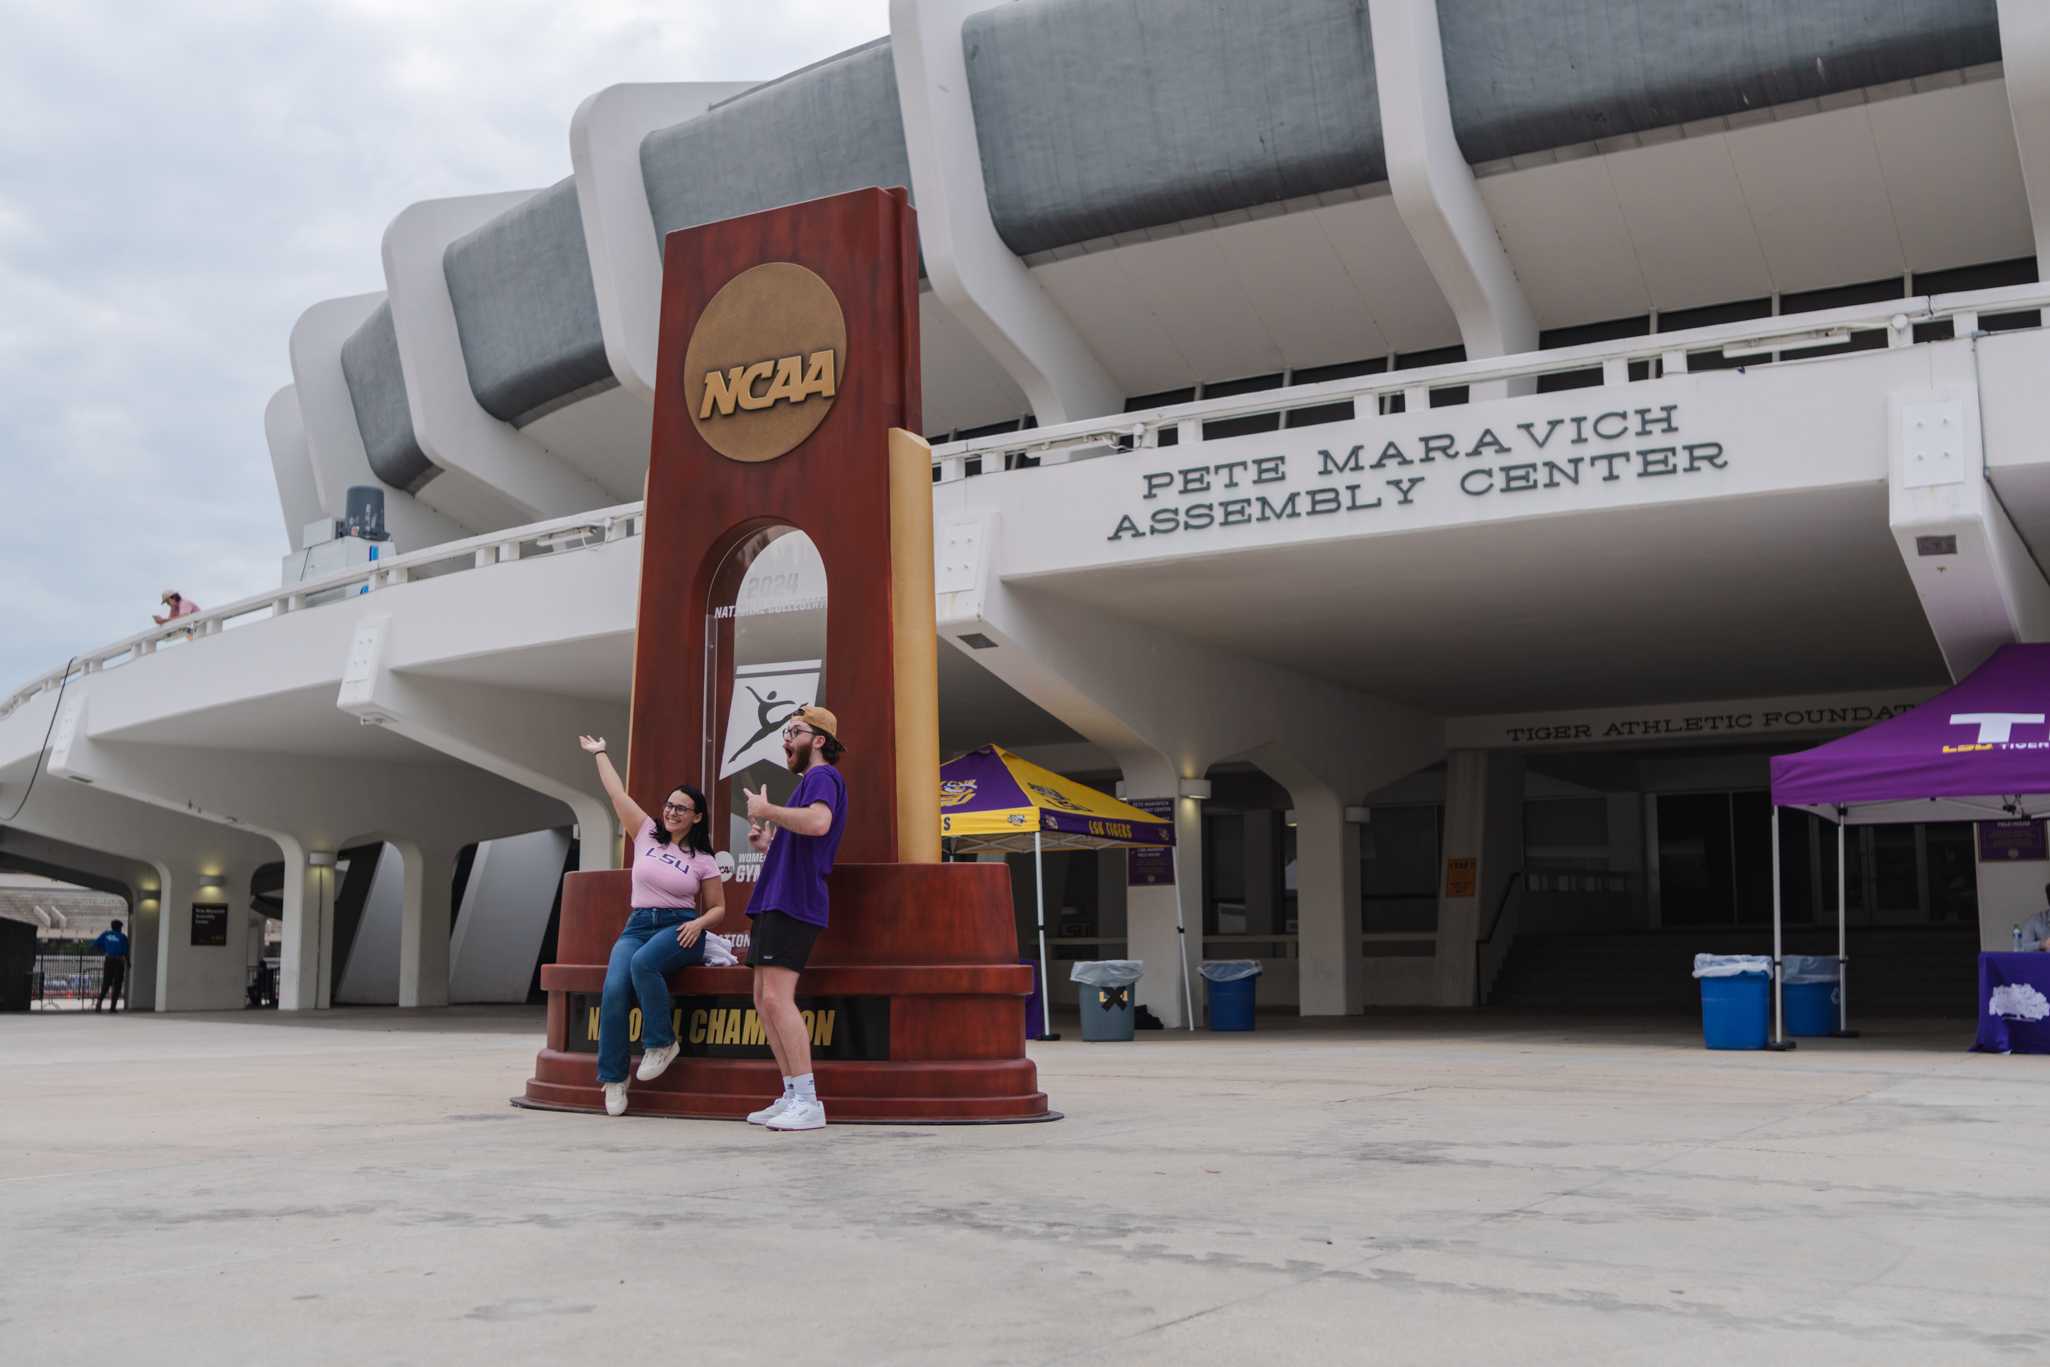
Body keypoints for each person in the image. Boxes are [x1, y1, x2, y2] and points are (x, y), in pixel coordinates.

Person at [578, 735, 726, 1117]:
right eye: (670, 805)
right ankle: (613, 1079)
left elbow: (717, 909)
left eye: (682, 808)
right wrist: (600, 754)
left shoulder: (704, 859)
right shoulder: (645, 832)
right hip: (638, 924)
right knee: (613, 990)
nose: (673, 812)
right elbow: (616, 794)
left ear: (697, 816)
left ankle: (661, 1044)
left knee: (643, 964)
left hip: (680, 929)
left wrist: (698, 925)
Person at [740, 704, 847, 1132]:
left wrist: (769, 813)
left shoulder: (823, 777)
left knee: (776, 1000)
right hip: (777, 899)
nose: (786, 739)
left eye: (795, 731)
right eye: (785, 731)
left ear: (818, 740)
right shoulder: (808, 783)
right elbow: (806, 838)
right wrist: (770, 843)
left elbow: (820, 824)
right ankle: (790, 1095)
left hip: (793, 902)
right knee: (764, 1000)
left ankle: (808, 1101)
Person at [93, 919, 129, 1012]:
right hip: (118, 961)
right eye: (121, 927)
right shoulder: (122, 937)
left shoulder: (106, 934)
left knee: (106, 982)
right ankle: (113, 1007)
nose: (121, 929)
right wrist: (128, 962)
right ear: (119, 927)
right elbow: (125, 951)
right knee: (117, 984)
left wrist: (105, 950)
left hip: (108, 960)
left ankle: (99, 1002)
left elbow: (96, 944)